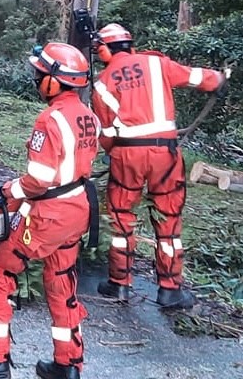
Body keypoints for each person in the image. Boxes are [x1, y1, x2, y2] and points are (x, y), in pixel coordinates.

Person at [0, 42, 100, 379]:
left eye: (41, 74)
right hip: (78, 209)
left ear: (56, 80)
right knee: (61, 281)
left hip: (49, 212)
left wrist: (6, 193)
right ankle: (68, 364)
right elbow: (68, 170)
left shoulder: (50, 119)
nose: (36, 79)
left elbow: (39, 180)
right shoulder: (88, 116)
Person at [91, 23, 229, 309]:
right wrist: (218, 79)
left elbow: (105, 133)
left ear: (103, 50)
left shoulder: (102, 82)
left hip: (127, 155)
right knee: (168, 221)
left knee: (121, 217)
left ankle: (119, 284)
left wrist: (111, 153)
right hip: (165, 154)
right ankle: (170, 289)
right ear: (130, 44)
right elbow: (195, 77)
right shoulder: (157, 64)